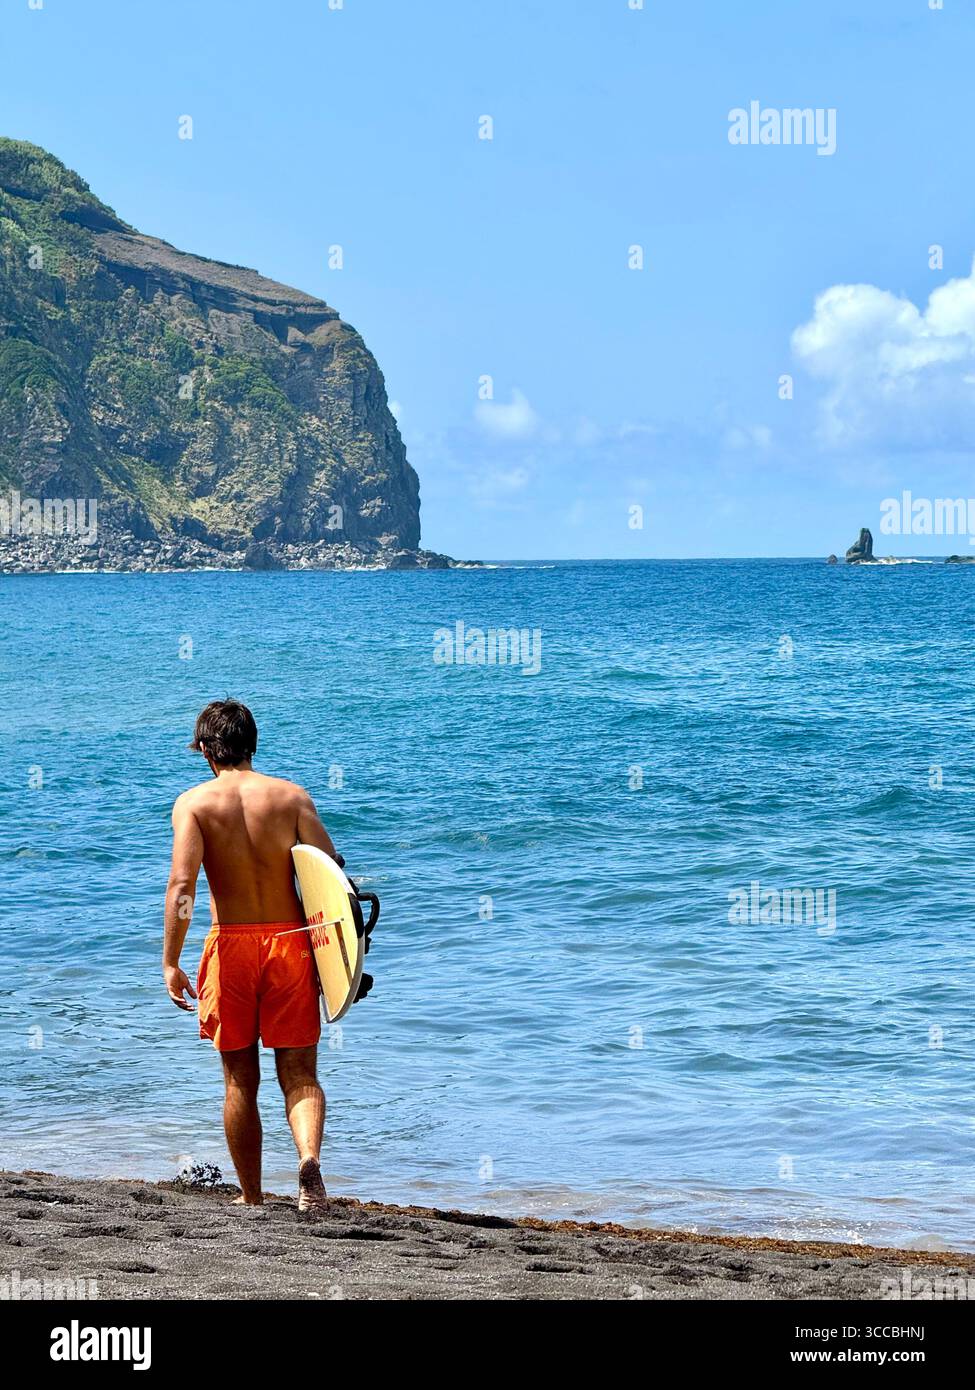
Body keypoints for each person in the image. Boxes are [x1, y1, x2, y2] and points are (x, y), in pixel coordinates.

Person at [162, 698, 335, 1212]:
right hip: (290, 945)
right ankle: (308, 1164)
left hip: (232, 944)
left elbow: (181, 886)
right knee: (300, 1072)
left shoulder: (194, 804)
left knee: (240, 1078)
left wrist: (171, 960)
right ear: (251, 744)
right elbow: (330, 875)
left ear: (206, 750)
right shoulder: (291, 798)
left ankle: (253, 1195)